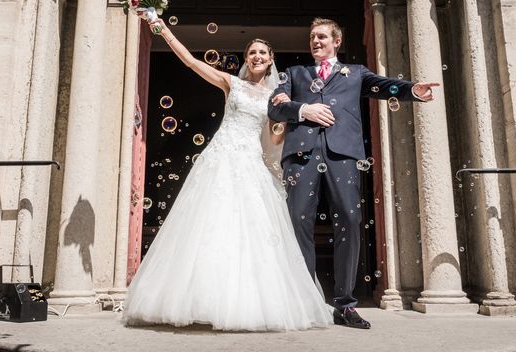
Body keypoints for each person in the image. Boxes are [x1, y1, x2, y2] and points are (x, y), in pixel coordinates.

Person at [122, 18, 333, 331]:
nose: (257, 56)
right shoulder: (231, 84)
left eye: (263, 52)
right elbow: (191, 62)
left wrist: (282, 128)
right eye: (252, 52)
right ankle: (200, 300)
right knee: (207, 228)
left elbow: (274, 140)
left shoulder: (278, 97)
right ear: (247, 58)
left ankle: (243, 304)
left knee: (251, 234)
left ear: (272, 58)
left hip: (250, 164)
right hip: (219, 161)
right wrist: (160, 27)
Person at [268, 17, 438, 329]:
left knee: (349, 219)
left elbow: (385, 85)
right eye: (312, 37)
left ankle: (344, 305)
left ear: (336, 42)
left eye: (322, 37)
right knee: (298, 221)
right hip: (301, 156)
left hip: (342, 155)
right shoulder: (293, 74)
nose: (315, 42)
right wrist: (303, 110)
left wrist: (412, 90)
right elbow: (275, 107)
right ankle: (304, 299)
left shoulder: (356, 73)